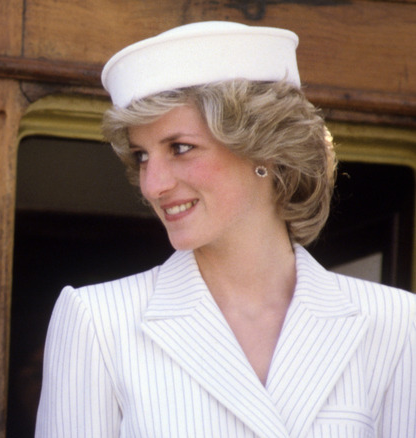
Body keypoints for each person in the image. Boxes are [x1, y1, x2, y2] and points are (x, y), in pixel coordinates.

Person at [35, 21, 416, 437]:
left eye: (180, 148)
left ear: (265, 151)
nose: (153, 184)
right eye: (142, 156)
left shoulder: (396, 324)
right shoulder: (99, 322)